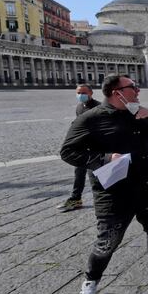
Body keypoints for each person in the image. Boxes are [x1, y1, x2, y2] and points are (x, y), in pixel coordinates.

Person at [60, 75, 148, 294]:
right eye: (132, 87)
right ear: (116, 92)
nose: (137, 90)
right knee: (107, 241)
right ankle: (91, 281)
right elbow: (68, 152)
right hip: (114, 192)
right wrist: (103, 159)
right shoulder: (90, 119)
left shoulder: (141, 112)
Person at [58, 84, 101, 212]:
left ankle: (112, 198)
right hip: (83, 146)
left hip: (95, 147)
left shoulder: (98, 107)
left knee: (99, 175)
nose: (80, 95)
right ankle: (76, 198)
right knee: (79, 172)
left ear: (91, 93)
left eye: (83, 92)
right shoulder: (79, 107)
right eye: (78, 92)